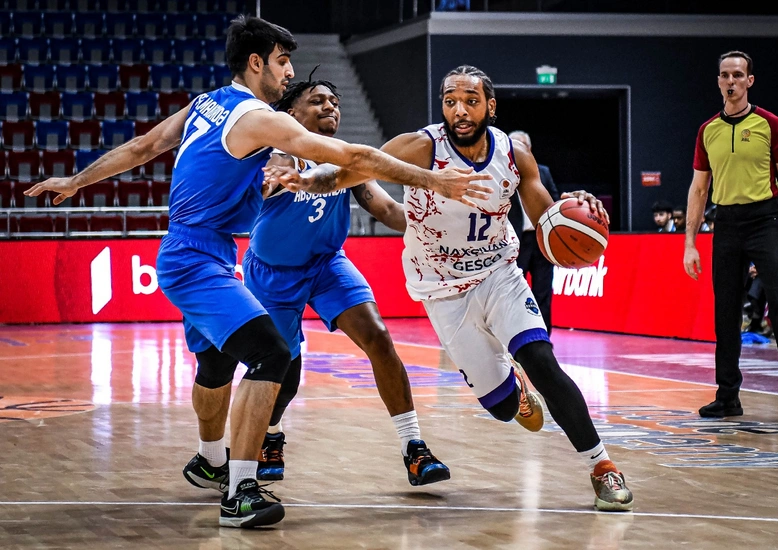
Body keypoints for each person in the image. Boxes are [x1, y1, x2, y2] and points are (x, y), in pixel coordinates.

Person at [23, 17, 493, 529]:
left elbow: (142, 148)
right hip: (199, 258)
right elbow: (356, 157)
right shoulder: (256, 117)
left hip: (207, 253)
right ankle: (240, 491)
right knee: (272, 352)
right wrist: (433, 180)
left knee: (217, 369)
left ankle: (211, 462)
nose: (288, 72)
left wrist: (77, 180)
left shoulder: (206, 103)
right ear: (256, 63)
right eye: (282, 61)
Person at [268, 65, 634, 511]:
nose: (459, 110)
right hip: (443, 292)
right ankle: (511, 393)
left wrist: (575, 208)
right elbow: (355, 169)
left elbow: (546, 218)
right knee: (500, 407)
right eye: (450, 101)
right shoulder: (420, 148)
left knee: (540, 357)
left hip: (500, 274)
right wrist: (309, 180)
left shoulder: (514, 153)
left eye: (471, 101)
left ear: (490, 107)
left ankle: (602, 467)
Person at [242, 72, 449, 486]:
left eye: (334, 103)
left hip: (327, 265)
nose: (330, 107)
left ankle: (414, 448)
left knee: (378, 337)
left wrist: (439, 231)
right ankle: (269, 435)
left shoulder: (343, 158)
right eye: (318, 101)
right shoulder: (274, 155)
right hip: (273, 275)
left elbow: (388, 210)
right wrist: (266, 183)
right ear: (290, 113)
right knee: (285, 377)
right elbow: (256, 192)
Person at [683, 50, 778, 419]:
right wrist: (690, 243)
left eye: (738, 75)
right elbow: (698, 190)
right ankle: (728, 396)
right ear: (718, 81)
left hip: (764, 221)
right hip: (725, 223)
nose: (731, 81)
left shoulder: (770, 124)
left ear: (749, 81)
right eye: (725, 75)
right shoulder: (707, 130)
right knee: (725, 313)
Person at [507, 130, 561, 339]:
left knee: (543, 292)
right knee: (513, 294)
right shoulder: (500, 175)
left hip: (541, 241)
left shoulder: (543, 172)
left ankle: (544, 340)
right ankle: (513, 338)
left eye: (521, 146)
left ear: (529, 150)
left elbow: (554, 202)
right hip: (515, 242)